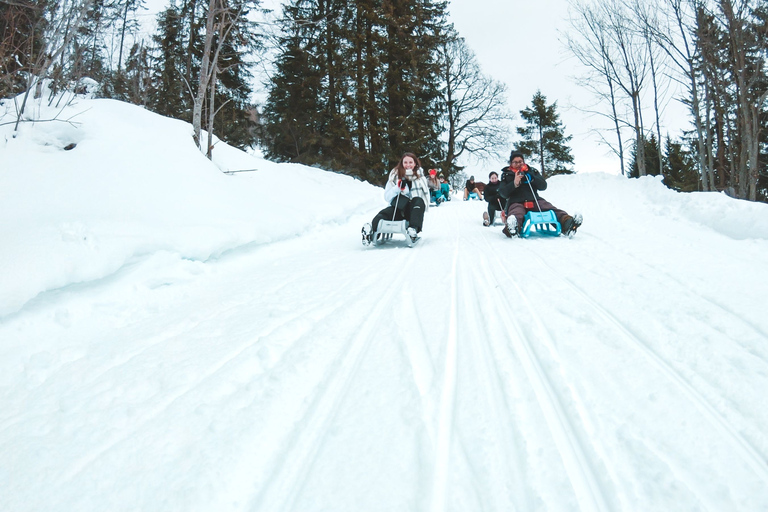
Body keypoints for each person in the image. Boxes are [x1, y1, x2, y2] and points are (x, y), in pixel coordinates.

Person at [498, 151, 582, 237]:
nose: (518, 164)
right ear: (511, 164)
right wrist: (514, 183)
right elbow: (503, 193)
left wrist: (532, 178)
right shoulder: (506, 175)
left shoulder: (532, 171)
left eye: (520, 161)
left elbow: (543, 186)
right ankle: (512, 228)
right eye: (515, 162)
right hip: (516, 201)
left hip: (534, 199)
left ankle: (567, 223)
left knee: (549, 209)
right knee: (517, 213)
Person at [363, 152, 430, 243]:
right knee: (384, 214)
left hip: (413, 211)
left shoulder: (421, 178)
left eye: (410, 162)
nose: (408, 165)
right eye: (405, 162)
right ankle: (370, 232)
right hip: (397, 208)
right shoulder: (394, 176)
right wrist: (397, 188)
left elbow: (424, 199)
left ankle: (412, 230)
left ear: (415, 164)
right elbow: (387, 197)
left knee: (418, 200)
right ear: (402, 163)